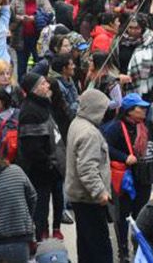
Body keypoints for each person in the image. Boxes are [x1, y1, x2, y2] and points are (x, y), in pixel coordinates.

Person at [107, 93, 153, 261]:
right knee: (123, 217)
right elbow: (105, 147)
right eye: (140, 108)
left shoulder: (146, 124)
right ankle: (123, 251)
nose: (144, 110)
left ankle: (138, 247)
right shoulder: (116, 128)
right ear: (128, 111)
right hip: (127, 181)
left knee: (140, 216)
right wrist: (124, 157)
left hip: (145, 178)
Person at [65, 88, 113, 261]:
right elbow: (87, 168)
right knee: (99, 247)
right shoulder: (90, 133)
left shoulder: (77, 123)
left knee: (85, 244)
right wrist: (100, 192)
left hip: (78, 196)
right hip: (88, 199)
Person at [16, 73, 63, 242]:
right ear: (35, 89)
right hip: (41, 173)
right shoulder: (30, 112)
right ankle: (39, 239)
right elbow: (32, 149)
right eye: (44, 83)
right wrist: (49, 165)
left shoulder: (44, 104)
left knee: (56, 201)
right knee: (40, 209)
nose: (48, 86)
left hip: (53, 169)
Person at [10, 0, 54, 73]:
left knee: (39, 63)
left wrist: (35, 18)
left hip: (38, 38)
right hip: (21, 37)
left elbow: (50, 13)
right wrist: (20, 18)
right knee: (21, 65)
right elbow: (10, 15)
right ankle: (21, 84)